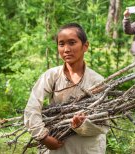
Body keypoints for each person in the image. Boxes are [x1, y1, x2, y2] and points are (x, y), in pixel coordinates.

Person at [24, 23, 108, 154]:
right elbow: (32, 107)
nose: (66, 49)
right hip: (57, 146)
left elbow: (102, 124)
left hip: (88, 148)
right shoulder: (51, 76)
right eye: (61, 44)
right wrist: (43, 137)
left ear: (85, 46)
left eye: (72, 42)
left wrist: (82, 125)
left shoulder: (97, 81)